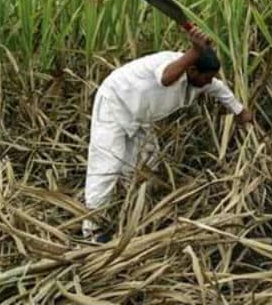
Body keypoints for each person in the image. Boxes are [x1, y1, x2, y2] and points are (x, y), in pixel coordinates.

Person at [82, 26, 253, 242]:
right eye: (206, 78)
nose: (209, 83)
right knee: (106, 167)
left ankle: (133, 216)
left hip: (141, 117)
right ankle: (91, 231)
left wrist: (240, 111)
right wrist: (194, 50)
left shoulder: (201, 79)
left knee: (147, 166)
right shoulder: (168, 64)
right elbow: (165, 78)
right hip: (114, 105)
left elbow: (220, 89)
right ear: (191, 70)